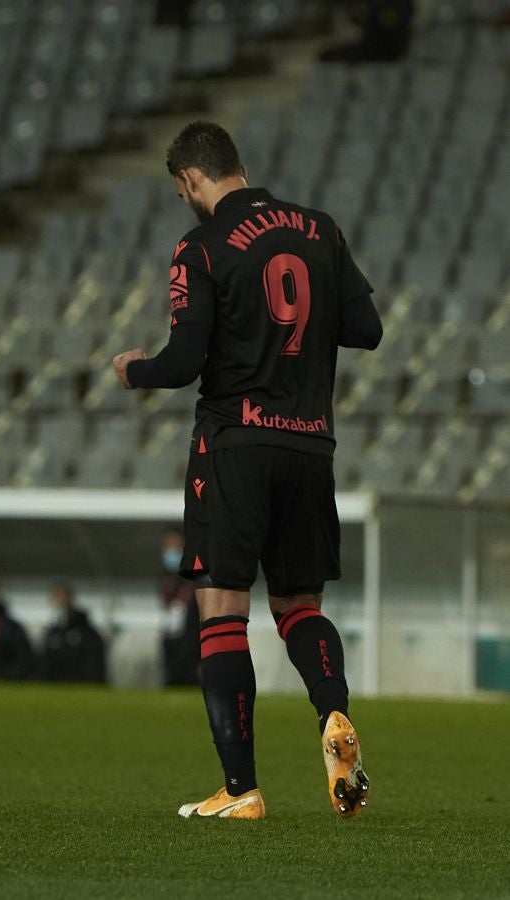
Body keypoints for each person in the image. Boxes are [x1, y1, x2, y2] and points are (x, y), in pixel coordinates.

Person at [112, 121, 382, 820]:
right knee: (298, 607)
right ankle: (331, 715)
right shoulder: (318, 230)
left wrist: (130, 370)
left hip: (234, 444)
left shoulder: (199, 247)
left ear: (192, 181)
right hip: (308, 445)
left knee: (220, 608)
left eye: (181, 191)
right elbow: (367, 329)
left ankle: (241, 791)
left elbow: (182, 363)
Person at [41, 583, 108, 684]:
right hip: (54, 687)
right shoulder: (52, 632)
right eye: (54, 597)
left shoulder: (87, 632)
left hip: (81, 686)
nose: (58, 602)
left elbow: (94, 664)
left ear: (70, 599)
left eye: (60, 596)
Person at [159, 529, 201, 687]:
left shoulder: (195, 578)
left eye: (175, 547)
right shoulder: (165, 580)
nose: (170, 553)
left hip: (191, 645)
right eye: (167, 548)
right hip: (171, 641)